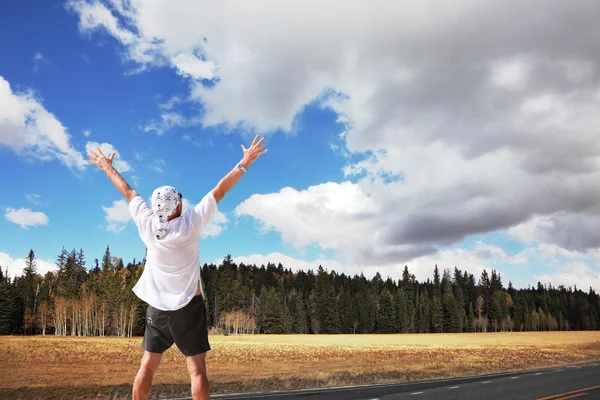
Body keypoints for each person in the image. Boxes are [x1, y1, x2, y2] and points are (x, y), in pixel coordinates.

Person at [87, 135, 268, 400]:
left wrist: (106, 166)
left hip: (157, 309)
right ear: (178, 206)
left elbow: (127, 190)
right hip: (188, 308)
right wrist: (244, 163)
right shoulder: (190, 224)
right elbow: (220, 189)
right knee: (196, 372)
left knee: (147, 367)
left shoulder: (147, 224)